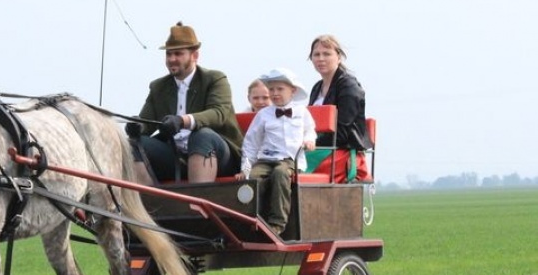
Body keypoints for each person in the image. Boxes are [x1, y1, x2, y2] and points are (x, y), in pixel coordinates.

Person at [125, 22, 243, 183]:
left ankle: (198, 198)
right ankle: (147, 197)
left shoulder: (215, 79)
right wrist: (137, 126)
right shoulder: (158, 87)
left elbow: (218, 113)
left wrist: (183, 121)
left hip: (217, 155)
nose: (172, 59)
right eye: (168, 54)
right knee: (133, 144)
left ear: (195, 56)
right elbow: (147, 123)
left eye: (178, 54)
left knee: (202, 136)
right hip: (175, 156)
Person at [237, 69, 316, 236]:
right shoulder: (263, 115)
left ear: (292, 90)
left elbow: (310, 131)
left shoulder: (302, 112)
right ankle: (250, 220)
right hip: (266, 159)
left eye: (280, 89)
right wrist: (246, 168)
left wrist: (309, 141)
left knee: (280, 174)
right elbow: (251, 143)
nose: (275, 93)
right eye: (271, 89)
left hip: (290, 159)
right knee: (252, 178)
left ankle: (277, 223)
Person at [307, 34, 373, 182]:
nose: (321, 58)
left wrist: (311, 144)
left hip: (341, 151)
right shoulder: (317, 87)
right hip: (318, 149)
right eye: (316, 54)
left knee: (292, 169)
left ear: (339, 57)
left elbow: (343, 131)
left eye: (326, 54)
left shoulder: (348, 86)